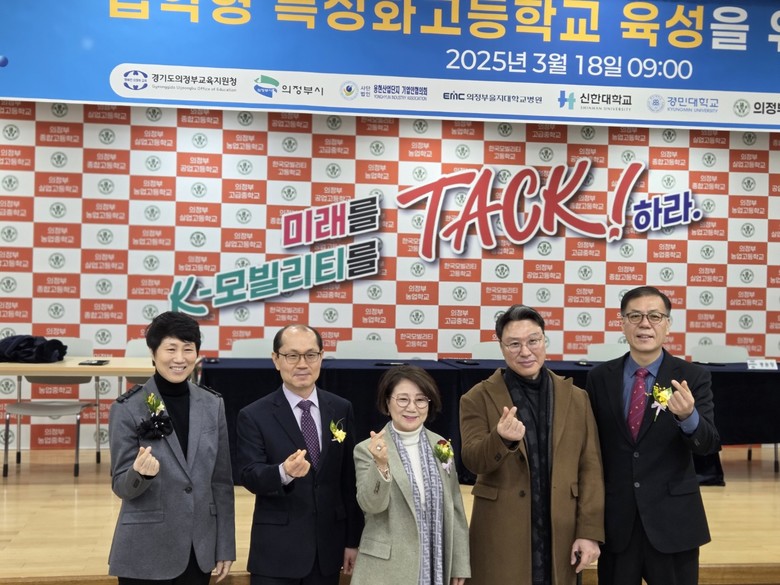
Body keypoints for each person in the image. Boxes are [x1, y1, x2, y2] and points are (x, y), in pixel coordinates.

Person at [459, 304, 604, 585]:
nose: (525, 351)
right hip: (501, 533)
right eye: (514, 344)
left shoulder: (577, 398)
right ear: (501, 347)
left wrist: (589, 532)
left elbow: (590, 468)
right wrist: (500, 438)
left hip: (561, 531)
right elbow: (473, 460)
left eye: (533, 341)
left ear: (544, 340)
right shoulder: (477, 397)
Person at [585, 285, 719, 585]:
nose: (644, 324)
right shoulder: (599, 378)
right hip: (617, 524)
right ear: (622, 323)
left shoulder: (693, 377)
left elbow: (708, 444)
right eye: (635, 316)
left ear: (667, 325)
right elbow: (591, 448)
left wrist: (688, 417)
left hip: (674, 523)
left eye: (655, 316)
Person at [108, 311, 235, 584]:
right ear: (153, 353)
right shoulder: (128, 407)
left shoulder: (212, 404)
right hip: (144, 550)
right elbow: (120, 486)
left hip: (198, 549)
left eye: (188, 349)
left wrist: (225, 545)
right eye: (170, 349)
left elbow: (222, 482)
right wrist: (139, 474)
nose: (180, 358)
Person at [236, 324, 363, 585]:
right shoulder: (254, 415)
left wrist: (352, 540)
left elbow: (349, 481)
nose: (302, 364)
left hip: (327, 551)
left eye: (311, 355)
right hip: (276, 553)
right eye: (292, 355)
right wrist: (283, 472)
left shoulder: (341, 408)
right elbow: (249, 475)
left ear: (321, 357)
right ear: (276, 360)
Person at [351, 365, 470, 585]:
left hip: (434, 563)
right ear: (387, 403)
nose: (412, 408)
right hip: (386, 570)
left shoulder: (441, 445)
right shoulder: (367, 449)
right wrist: (381, 465)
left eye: (421, 400)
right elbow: (371, 505)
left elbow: (454, 506)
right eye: (403, 399)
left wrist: (459, 563)